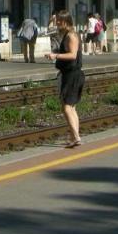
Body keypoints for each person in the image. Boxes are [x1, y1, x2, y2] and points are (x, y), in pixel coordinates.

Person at [44, 10, 84, 148]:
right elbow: (49, 30)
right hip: (71, 74)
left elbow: (72, 55)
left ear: (66, 22)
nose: (57, 24)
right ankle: (74, 136)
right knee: (72, 107)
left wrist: (55, 56)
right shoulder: (68, 34)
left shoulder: (71, 36)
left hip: (72, 75)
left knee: (67, 107)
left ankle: (76, 137)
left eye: (59, 22)